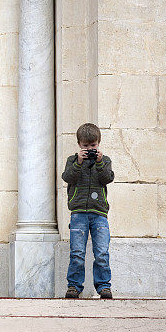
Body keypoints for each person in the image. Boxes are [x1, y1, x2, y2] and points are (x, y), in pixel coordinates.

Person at [61, 123, 115, 299]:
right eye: (86, 146)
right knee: (77, 252)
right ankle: (74, 286)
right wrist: (79, 162)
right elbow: (68, 177)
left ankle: (104, 286)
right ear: (79, 144)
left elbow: (107, 178)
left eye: (93, 146)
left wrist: (99, 162)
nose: (90, 149)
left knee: (101, 252)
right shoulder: (73, 160)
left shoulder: (105, 160)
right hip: (78, 213)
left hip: (99, 213)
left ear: (99, 143)